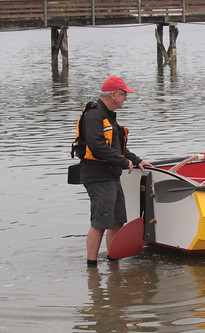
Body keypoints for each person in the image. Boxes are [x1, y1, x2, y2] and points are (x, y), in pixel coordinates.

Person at [80, 76, 153, 266]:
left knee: (117, 220)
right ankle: (91, 265)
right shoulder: (94, 115)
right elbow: (96, 146)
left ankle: (113, 261)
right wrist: (122, 161)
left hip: (111, 175)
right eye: (124, 94)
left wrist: (137, 161)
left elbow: (118, 147)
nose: (125, 98)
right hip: (97, 176)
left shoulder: (110, 116)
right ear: (113, 94)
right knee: (100, 222)